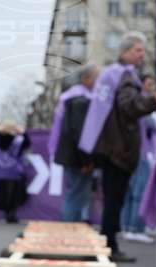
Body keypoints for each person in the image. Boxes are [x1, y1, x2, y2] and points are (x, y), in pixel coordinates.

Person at [79, 31, 156, 261]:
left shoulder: (111, 74)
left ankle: (108, 241)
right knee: (114, 199)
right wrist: (152, 100)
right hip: (118, 149)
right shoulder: (125, 77)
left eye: (143, 50)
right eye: (138, 50)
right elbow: (129, 105)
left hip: (109, 146)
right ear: (124, 52)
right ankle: (110, 245)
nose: (143, 54)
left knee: (113, 197)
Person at [52, 63, 99, 222]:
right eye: (97, 77)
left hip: (74, 157)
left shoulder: (75, 98)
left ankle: (69, 231)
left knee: (76, 195)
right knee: (77, 197)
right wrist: (87, 160)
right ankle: (67, 232)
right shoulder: (82, 100)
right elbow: (79, 133)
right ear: (86, 78)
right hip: (78, 160)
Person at [120, 75, 156, 244]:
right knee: (140, 194)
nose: (151, 88)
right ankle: (135, 228)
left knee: (130, 193)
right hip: (141, 153)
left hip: (131, 153)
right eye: (149, 84)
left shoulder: (130, 103)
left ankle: (127, 226)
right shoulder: (142, 103)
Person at [0, 120, 30, 224]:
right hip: (14, 170)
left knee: (4, 191)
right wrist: (23, 133)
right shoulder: (18, 139)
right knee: (15, 193)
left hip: (2, 170)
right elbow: (27, 143)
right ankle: (11, 213)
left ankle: (7, 212)